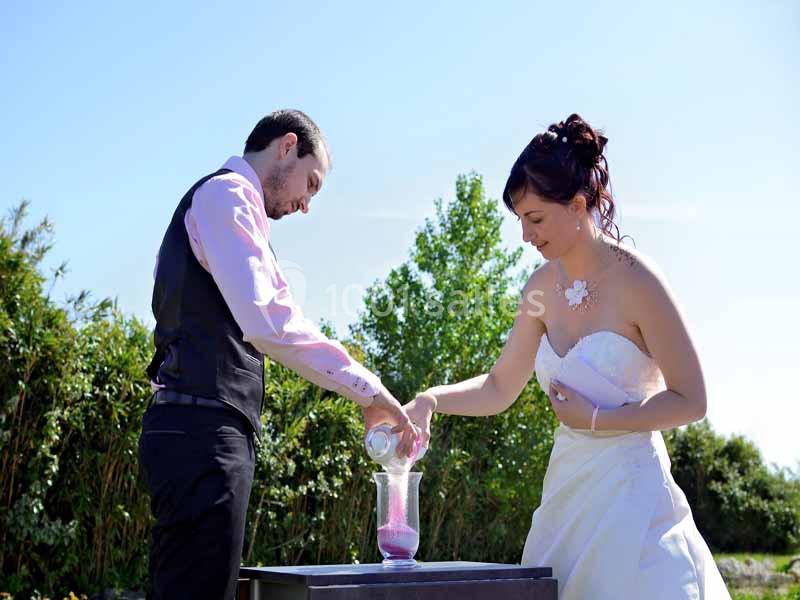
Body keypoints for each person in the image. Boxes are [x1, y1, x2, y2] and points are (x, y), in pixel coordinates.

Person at [404, 114, 731, 598]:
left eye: (534, 219)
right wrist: (431, 399)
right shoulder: (539, 290)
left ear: (578, 205)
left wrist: (599, 418)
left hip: (635, 505)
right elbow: (499, 386)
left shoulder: (639, 282)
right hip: (566, 498)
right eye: (520, 221)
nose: (525, 236)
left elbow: (692, 400)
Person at [138, 109, 419, 600]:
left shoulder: (229, 208)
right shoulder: (226, 197)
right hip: (201, 430)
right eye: (310, 184)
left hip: (199, 427)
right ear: (286, 146)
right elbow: (270, 322)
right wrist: (368, 390)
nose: (306, 204)